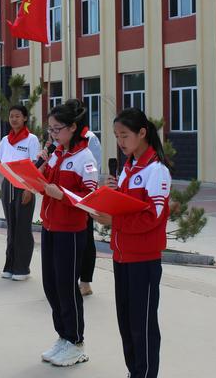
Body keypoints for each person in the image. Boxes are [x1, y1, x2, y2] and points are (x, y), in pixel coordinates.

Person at [91, 108, 172, 378]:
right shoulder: (128, 168)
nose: (121, 142)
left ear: (142, 133)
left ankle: (146, 373)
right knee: (126, 323)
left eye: (124, 135)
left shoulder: (156, 170)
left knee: (143, 324)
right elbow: (125, 208)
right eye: (116, 136)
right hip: (122, 256)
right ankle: (134, 371)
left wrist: (114, 221)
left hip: (143, 260)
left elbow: (153, 216)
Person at [38, 99, 98, 367]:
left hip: (71, 232)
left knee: (66, 286)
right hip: (50, 227)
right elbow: (45, 181)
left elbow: (90, 197)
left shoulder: (84, 158)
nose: (53, 135)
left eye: (57, 129)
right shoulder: (56, 153)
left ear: (73, 127)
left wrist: (62, 195)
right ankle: (63, 336)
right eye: (50, 130)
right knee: (50, 285)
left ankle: (76, 342)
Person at [0, 104, 40, 281]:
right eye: (11, 116)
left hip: (24, 184)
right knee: (11, 226)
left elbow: (36, 166)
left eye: (17, 116)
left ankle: (22, 268)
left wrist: (29, 188)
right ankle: (10, 265)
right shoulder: (6, 140)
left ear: (24, 118)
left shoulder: (31, 139)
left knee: (22, 227)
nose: (14, 119)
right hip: (8, 184)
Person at [79, 121, 102, 297]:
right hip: (64, 200)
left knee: (86, 240)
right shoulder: (60, 138)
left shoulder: (90, 139)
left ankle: (85, 281)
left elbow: (95, 167)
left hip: (84, 197)